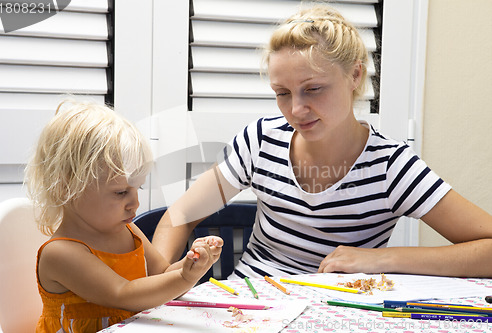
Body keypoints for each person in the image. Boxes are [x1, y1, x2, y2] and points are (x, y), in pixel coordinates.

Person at [152, 4, 492, 279]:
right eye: (282, 93)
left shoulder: (391, 166)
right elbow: (180, 214)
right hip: (250, 307)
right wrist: (158, 281)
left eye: (313, 89)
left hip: (336, 312)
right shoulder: (260, 141)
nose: (297, 110)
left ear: (355, 75)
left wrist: (379, 259)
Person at [25, 100, 223, 333]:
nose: (135, 203)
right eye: (120, 192)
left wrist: (190, 266)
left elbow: (162, 277)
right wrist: (184, 277)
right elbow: (123, 294)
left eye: (137, 189)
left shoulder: (128, 232)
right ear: (67, 187)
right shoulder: (61, 252)